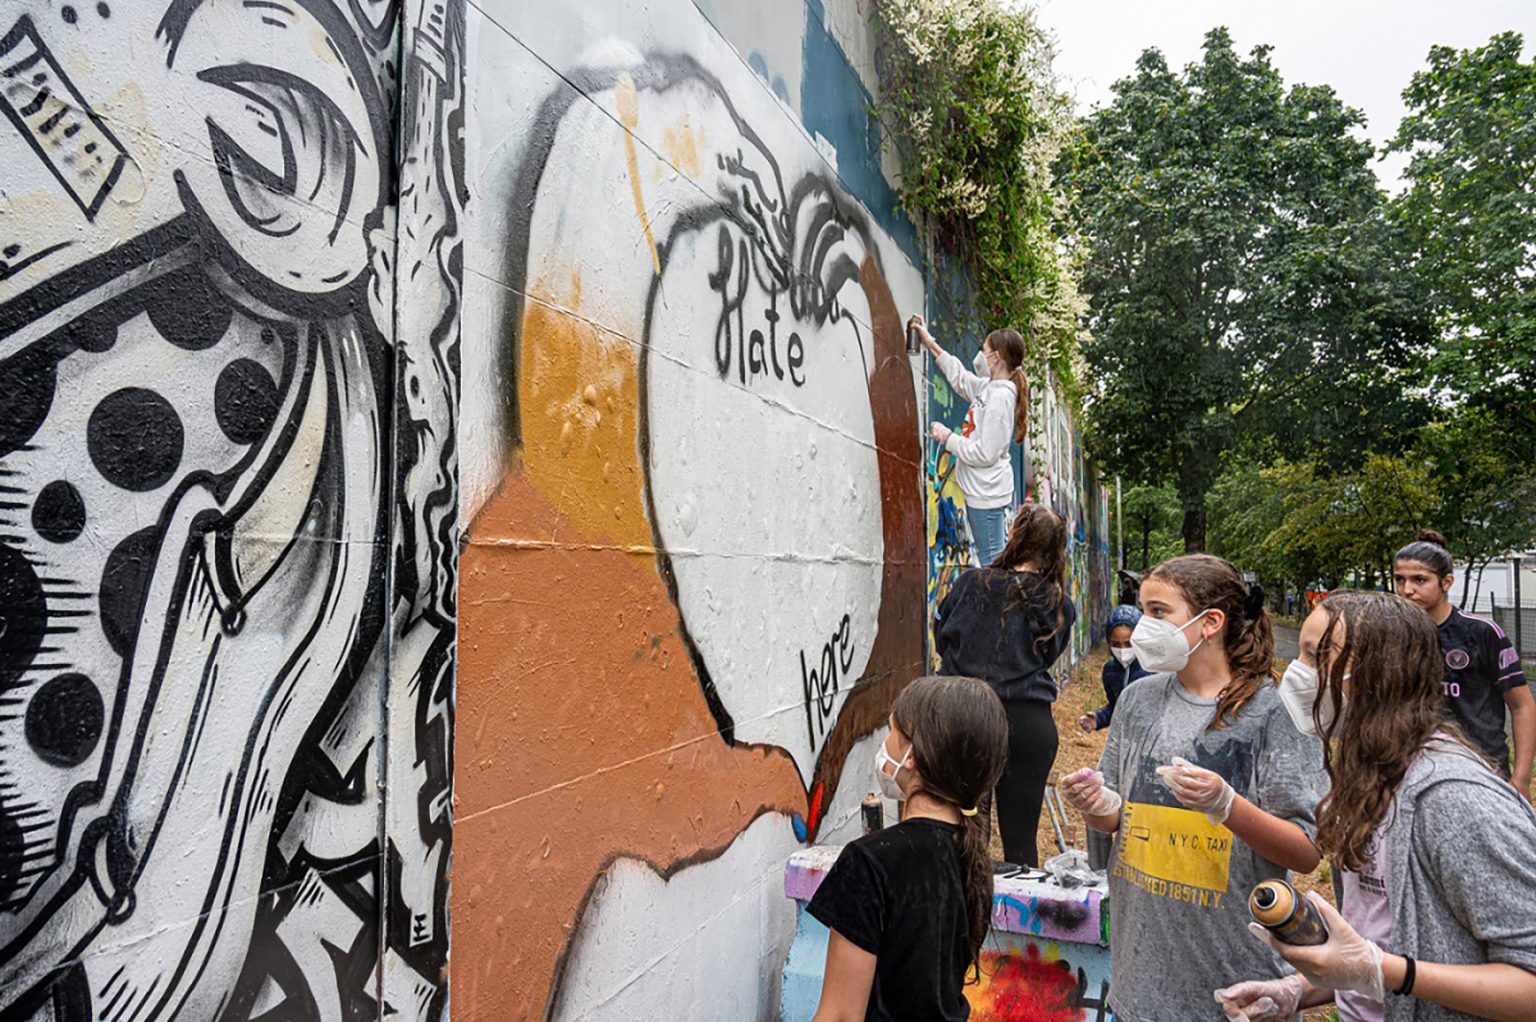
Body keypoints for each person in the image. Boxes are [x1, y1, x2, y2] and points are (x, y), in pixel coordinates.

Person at [1215, 591, 1536, 1022]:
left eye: (1317, 655)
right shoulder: (1368, 779)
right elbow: (1373, 947)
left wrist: (1384, 971)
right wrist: (1297, 989)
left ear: (1381, 675)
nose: (1296, 673)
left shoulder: (1457, 801)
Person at [1060, 554, 1326, 1020]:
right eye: (1142, 609)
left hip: (1233, 990)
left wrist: (1228, 805)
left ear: (1211, 623)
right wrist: (1095, 804)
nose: (1144, 625)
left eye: (1159, 612)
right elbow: (1116, 820)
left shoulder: (1272, 713)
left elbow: (1304, 852)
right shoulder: (1138, 700)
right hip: (1138, 983)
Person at [807, 676, 1010, 1022]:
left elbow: (840, 1015)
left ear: (912, 755)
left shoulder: (869, 862)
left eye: (891, 730)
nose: (884, 743)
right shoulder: (971, 856)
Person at [933, 504, 1077, 867]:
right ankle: (1018, 923)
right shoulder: (1058, 602)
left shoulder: (971, 583)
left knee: (964, 835)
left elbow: (943, 638)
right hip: (1028, 724)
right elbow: (1046, 657)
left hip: (967, 716)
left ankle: (963, 919)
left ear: (1015, 535)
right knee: (1021, 842)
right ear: (1057, 548)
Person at [1391, 529, 1534, 795]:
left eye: (1419, 580)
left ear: (1446, 582)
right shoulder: (1390, 635)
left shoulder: (1481, 632)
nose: (1407, 590)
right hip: (1414, 772)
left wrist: (1521, 779)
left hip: (1482, 770)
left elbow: (1522, 705)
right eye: (1400, 580)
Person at [909, 315, 1028, 568]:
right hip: (982, 491)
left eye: (983, 350)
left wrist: (947, 438)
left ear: (996, 357)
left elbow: (986, 453)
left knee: (991, 564)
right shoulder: (990, 388)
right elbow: (960, 378)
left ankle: (997, 607)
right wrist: (930, 342)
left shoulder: (1000, 398)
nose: (979, 356)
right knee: (992, 562)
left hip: (987, 493)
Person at [1079, 604, 1150, 733]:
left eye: (1129, 644)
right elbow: (1117, 709)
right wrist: (1099, 718)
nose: (1122, 650)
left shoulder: (1153, 669)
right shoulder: (1110, 672)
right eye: (1116, 644)